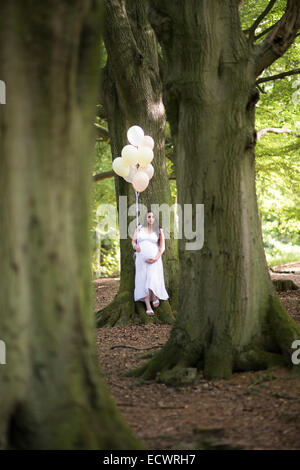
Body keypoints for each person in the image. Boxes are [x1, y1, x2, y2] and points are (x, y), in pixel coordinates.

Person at [132, 211, 169, 316]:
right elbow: (133, 241)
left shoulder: (159, 230)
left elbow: (162, 247)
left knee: (152, 277)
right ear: (146, 218)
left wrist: (156, 258)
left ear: (155, 219)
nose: (151, 219)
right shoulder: (139, 228)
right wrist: (135, 246)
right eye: (149, 217)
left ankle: (154, 295)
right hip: (141, 259)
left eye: (153, 217)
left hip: (154, 260)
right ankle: (148, 305)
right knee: (143, 279)